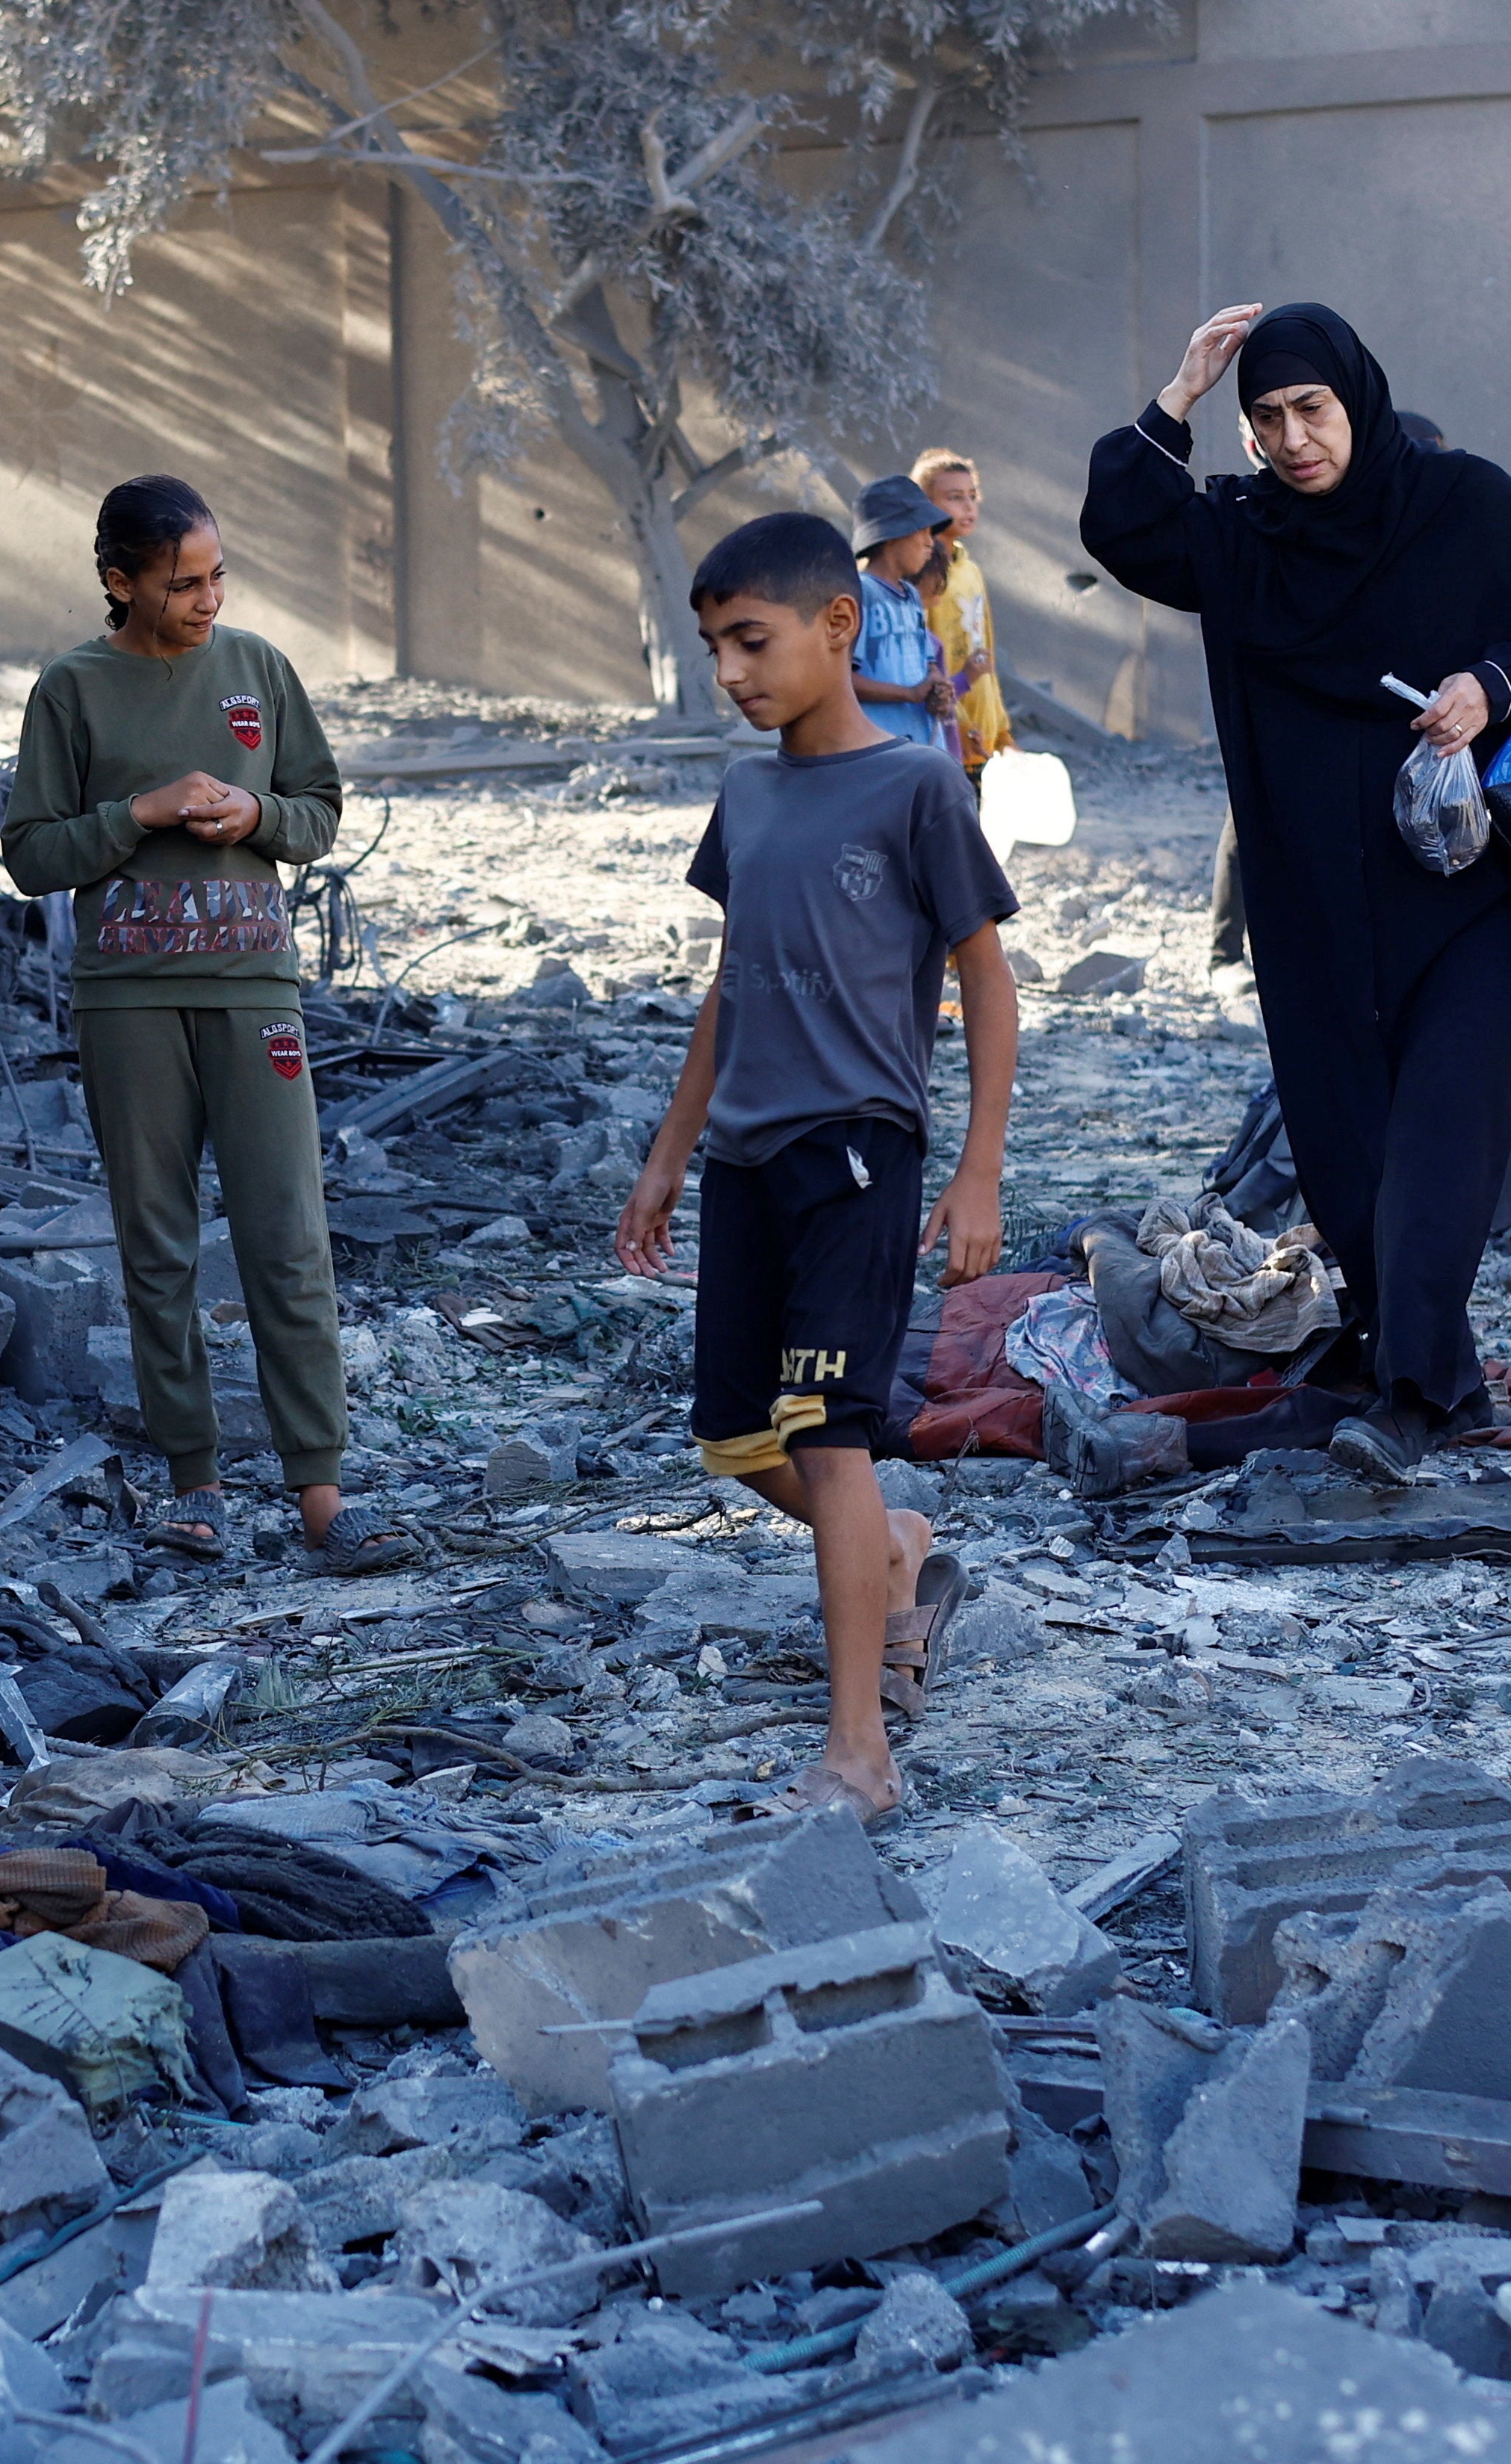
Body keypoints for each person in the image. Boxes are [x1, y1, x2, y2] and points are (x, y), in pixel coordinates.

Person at [1083, 302, 1511, 1480]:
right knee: (1349, 1152)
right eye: (1263, 417)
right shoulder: (1245, 537)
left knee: (1437, 1140)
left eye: (1309, 408)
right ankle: (1428, 1371)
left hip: (1474, 898)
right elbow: (1119, 523)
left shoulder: (1465, 505)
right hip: (1318, 906)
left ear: (1355, 397)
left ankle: (1413, 1393)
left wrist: (1489, 685)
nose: (1290, 437)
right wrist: (1177, 391)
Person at [618, 510, 1020, 1824]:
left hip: (857, 1147)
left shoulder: (914, 787)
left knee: (829, 1437)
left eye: (752, 639)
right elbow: (729, 985)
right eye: (714, 646)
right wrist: (669, 1154)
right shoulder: (747, 797)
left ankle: (858, 1753)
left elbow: (987, 983)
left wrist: (978, 1170)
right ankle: (896, 1547)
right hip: (743, 1154)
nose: (730, 671)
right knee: (737, 1439)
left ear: (836, 627)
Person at [0, 478, 393, 1573]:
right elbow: (30, 853)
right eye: (182, 582)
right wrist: (142, 812)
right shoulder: (71, 690)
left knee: (287, 1238)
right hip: (128, 1002)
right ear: (120, 581)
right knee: (158, 1246)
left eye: (218, 575)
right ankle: (197, 1484)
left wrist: (256, 813)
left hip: (252, 988)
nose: (208, 597)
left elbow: (318, 808)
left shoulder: (259, 671)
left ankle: (323, 1496)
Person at [911, 449, 1012, 772]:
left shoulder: (971, 571)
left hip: (983, 734)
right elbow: (925, 662)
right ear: (925, 504)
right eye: (955, 498)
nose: (969, 507)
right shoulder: (920, 574)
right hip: (946, 734)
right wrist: (961, 723)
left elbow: (986, 655)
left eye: (972, 496)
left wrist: (1001, 730)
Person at [846, 476, 956, 753]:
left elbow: (926, 665)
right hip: (881, 749)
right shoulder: (861, 593)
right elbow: (841, 680)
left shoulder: (911, 595)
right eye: (924, 532)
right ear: (894, 534)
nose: (931, 543)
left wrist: (937, 689)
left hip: (922, 744)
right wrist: (908, 694)